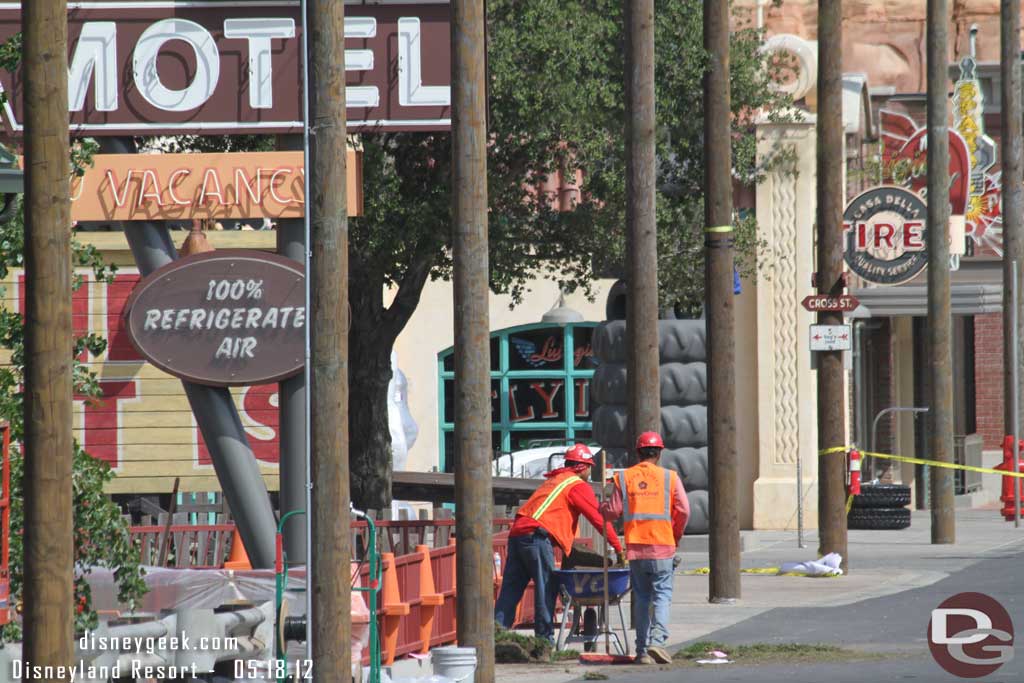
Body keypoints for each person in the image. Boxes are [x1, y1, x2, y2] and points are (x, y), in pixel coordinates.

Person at [494, 443, 625, 642]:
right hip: (537, 536)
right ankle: (544, 641)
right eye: (590, 466)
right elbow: (600, 520)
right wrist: (618, 548)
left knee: (511, 590)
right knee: (547, 587)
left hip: (518, 535)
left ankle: (495, 637)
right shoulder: (576, 485)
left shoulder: (556, 481)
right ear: (583, 467)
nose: (590, 471)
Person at [601, 431, 689, 665]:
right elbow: (684, 510)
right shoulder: (670, 477)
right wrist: (675, 535)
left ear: (638, 452)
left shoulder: (624, 477)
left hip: (636, 548)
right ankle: (657, 643)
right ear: (659, 453)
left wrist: (602, 508)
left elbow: (613, 512)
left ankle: (642, 652)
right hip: (662, 546)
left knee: (641, 598)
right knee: (662, 595)